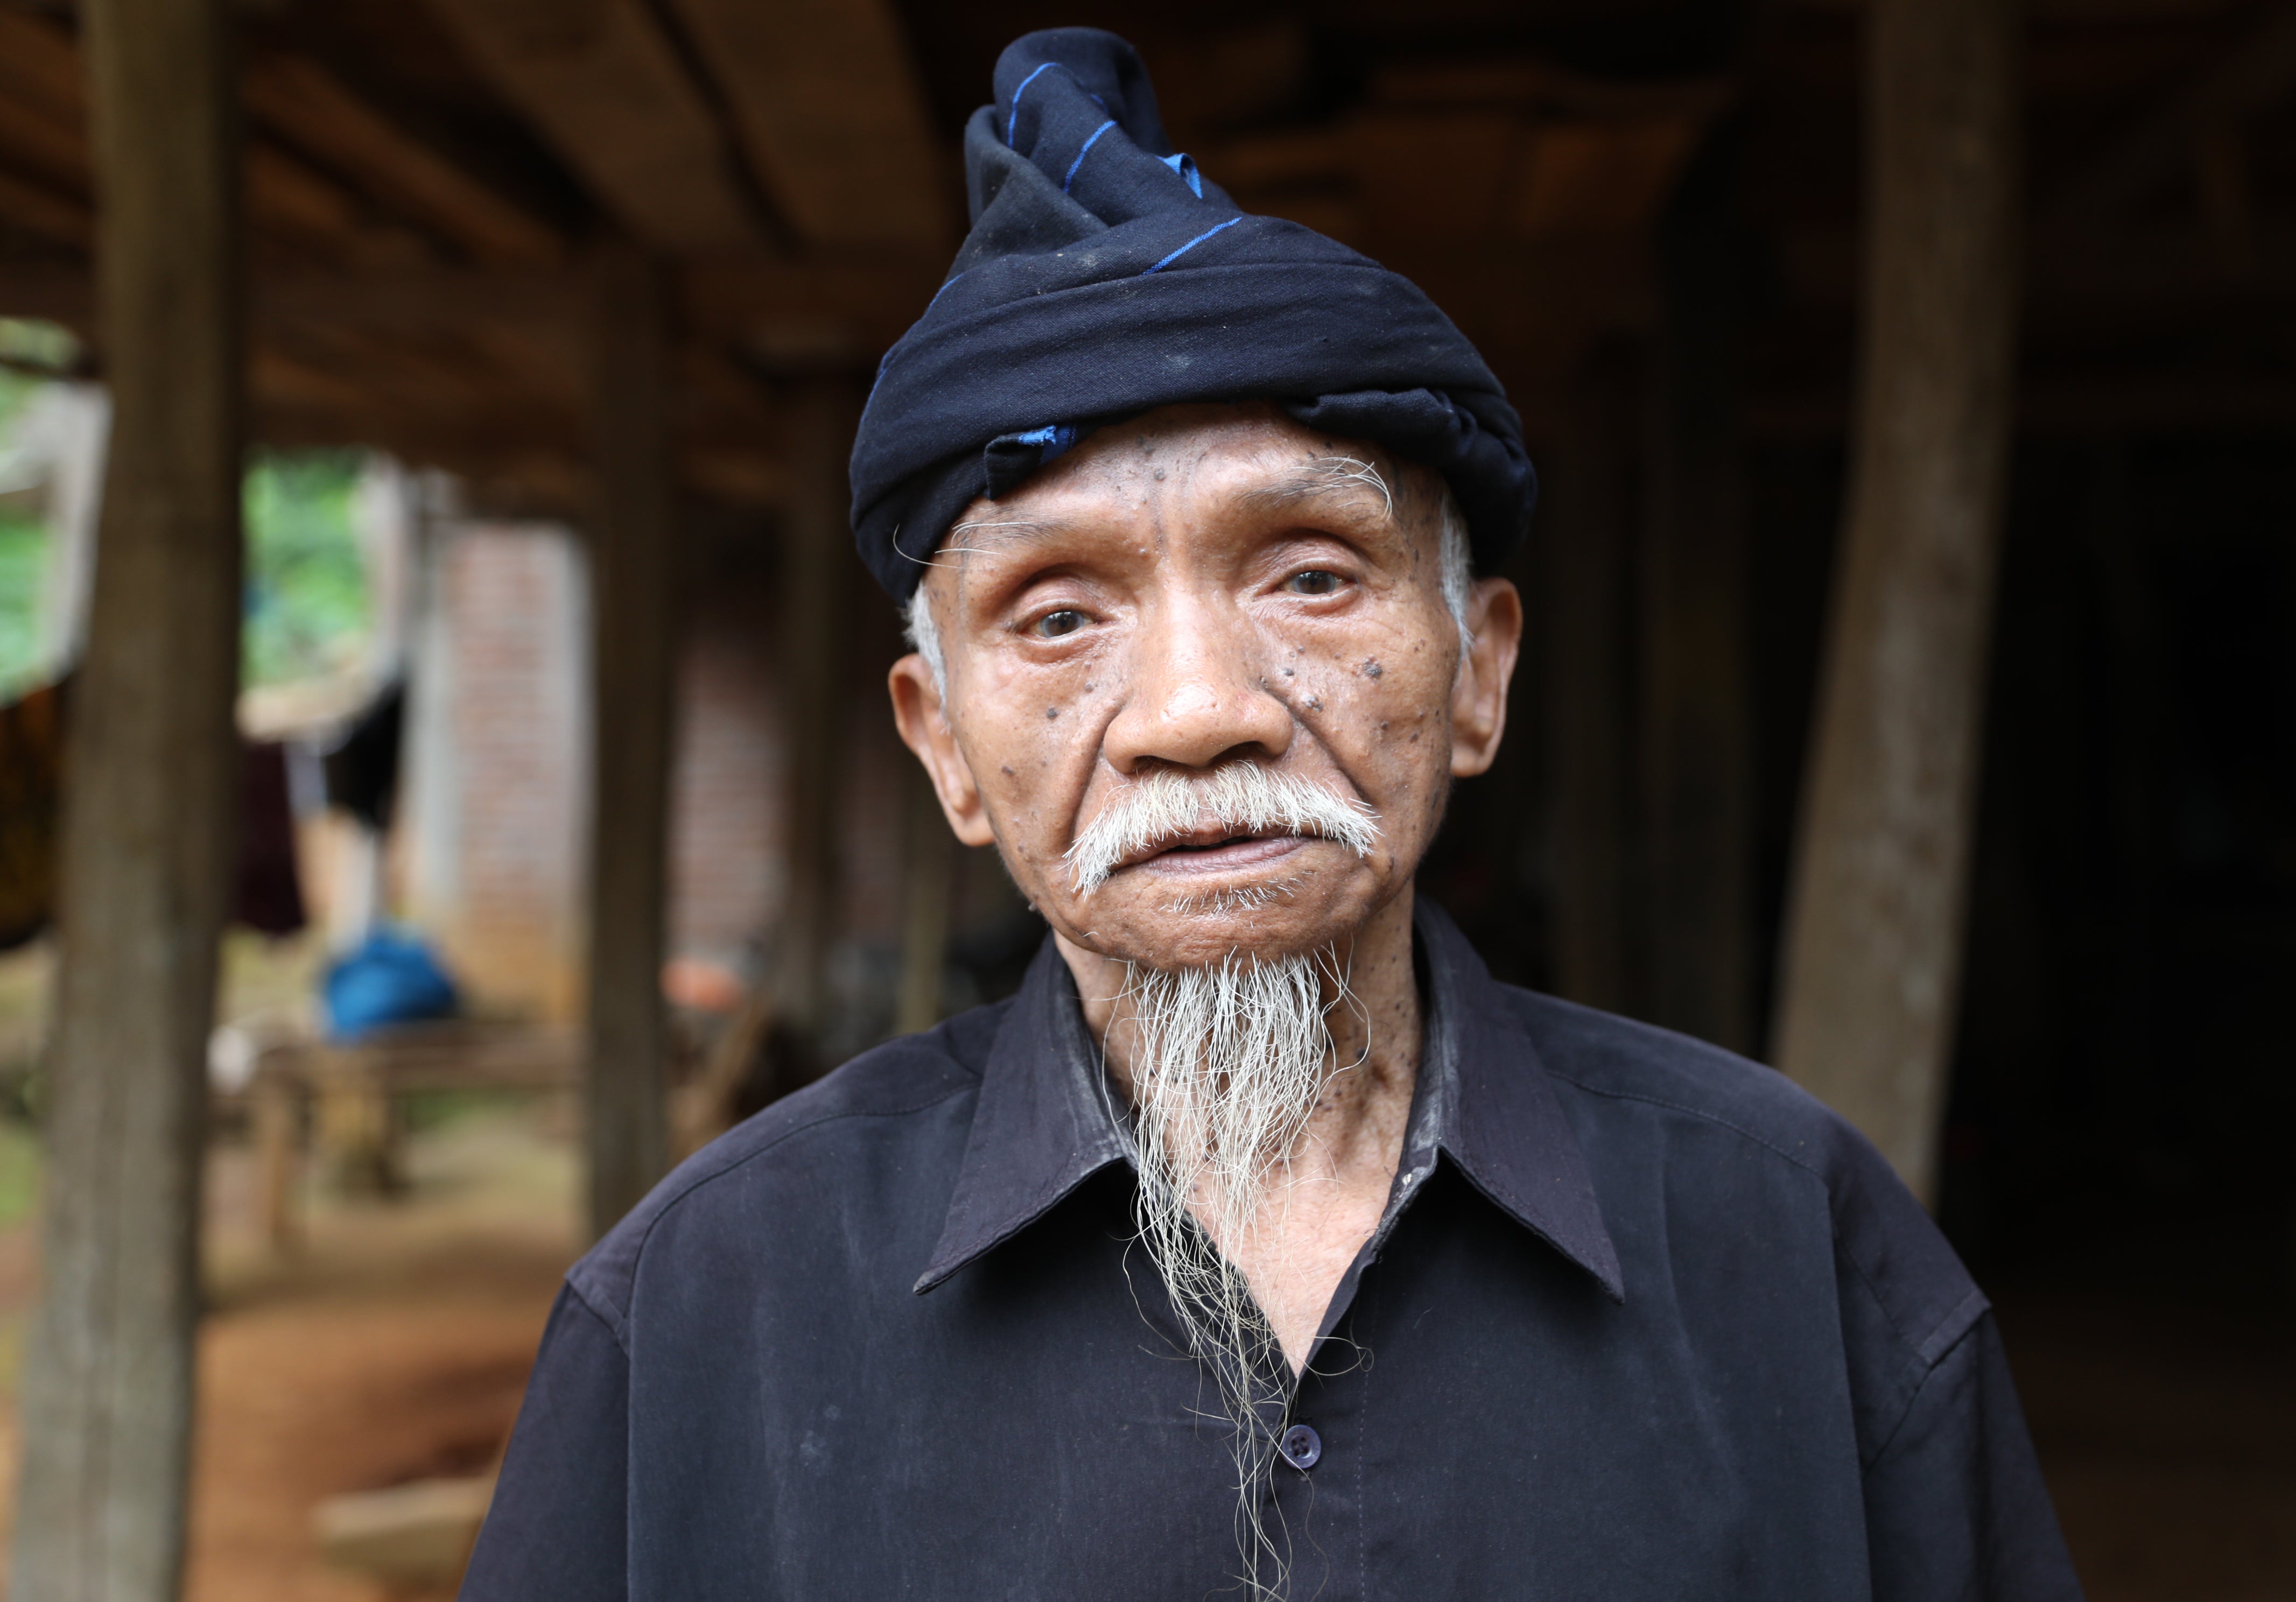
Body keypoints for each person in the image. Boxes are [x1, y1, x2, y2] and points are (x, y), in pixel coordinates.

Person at [461, 29, 2081, 1601]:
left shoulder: (1795, 1245)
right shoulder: (701, 1313)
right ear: (945, 746)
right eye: (1057, 617)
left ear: (1478, 675)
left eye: (1310, 577)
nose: (1195, 711)